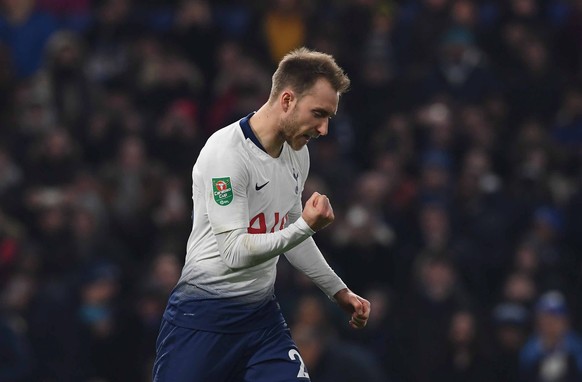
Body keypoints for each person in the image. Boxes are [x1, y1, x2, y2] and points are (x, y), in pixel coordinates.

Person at [152, 47, 371, 382]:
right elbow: (235, 252)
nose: (324, 129)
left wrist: (338, 291)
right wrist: (304, 226)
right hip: (201, 320)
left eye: (329, 118)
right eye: (318, 114)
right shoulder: (226, 155)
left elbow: (291, 235)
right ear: (286, 100)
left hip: (260, 321)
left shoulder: (298, 155)